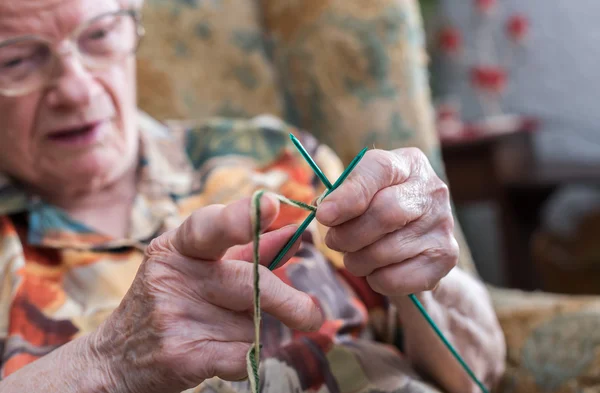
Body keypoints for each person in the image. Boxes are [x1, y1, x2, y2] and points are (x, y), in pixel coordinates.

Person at [0, 0, 506, 392]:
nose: (76, 89)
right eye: (17, 60)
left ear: (133, 24)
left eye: (99, 35)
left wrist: (424, 277)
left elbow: (480, 368)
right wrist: (107, 362)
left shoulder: (271, 154)